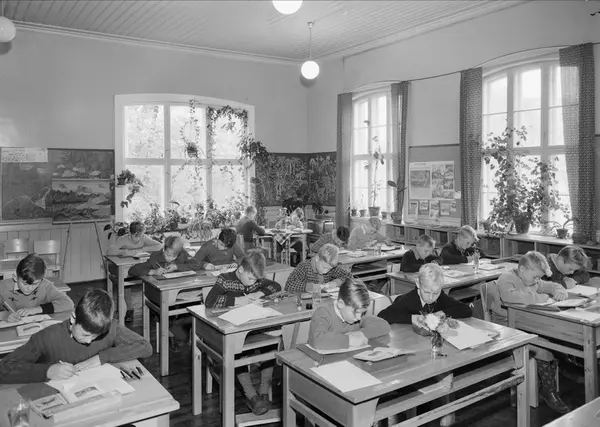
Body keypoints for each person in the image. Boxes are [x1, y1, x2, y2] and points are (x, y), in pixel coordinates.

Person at [0, 289, 152, 384]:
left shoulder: (110, 328)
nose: (89, 341)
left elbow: (145, 347)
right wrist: (47, 371)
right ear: (73, 318)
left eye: (96, 336)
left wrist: (102, 357)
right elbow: (3, 369)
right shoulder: (46, 337)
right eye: (85, 334)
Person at [204, 250, 281, 415]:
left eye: (256, 280)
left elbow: (275, 286)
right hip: (231, 330)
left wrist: (259, 292)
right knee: (237, 351)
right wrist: (238, 300)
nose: (253, 282)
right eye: (251, 278)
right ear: (240, 269)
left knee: (271, 344)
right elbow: (210, 301)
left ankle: (264, 390)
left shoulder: (255, 279)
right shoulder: (225, 279)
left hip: (250, 327)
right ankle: (251, 395)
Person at [493, 251, 569, 413]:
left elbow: (551, 285)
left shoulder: (532, 280)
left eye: (538, 278)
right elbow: (510, 297)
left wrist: (560, 291)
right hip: (505, 327)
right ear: (522, 269)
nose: (537, 281)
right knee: (543, 346)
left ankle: (545, 384)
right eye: (535, 277)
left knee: (555, 338)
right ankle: (549, 391)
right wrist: (542, 298)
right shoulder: (507, 278)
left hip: (526, 323)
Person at [309, 277, 390, 351]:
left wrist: (360, 334)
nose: (359, 318)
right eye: (356, 312)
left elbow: (383, 325)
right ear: (341, 304)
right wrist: (349, 340)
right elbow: (317, 340)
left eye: (362, 313)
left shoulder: (359, 317)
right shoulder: (323, 313)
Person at [378, 263, 472, 324]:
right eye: (426, 292)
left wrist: (443, 313)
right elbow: (382, 316)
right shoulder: (408, 300)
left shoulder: (440, 297)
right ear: (418, 284)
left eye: (435, 293)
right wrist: (412, 318)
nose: (431, 298)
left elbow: (466, 310)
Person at [106, 221, 162, 322]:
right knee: (126, 282)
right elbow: (109, 251)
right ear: (131, 234)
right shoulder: (123, 239)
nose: (139, 238)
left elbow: (159, 246)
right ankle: (129, 309)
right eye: (137, 236)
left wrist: (143, 248)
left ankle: (152, 307)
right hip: (125, 267)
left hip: (138, 266)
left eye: (141, 236)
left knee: (152, 277)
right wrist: (126, 252)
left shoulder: (143, 237)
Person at [0, 254, 74, 321]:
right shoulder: (3, 287)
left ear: (41, 280)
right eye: (25, 284)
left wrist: (35, 310)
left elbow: (68, 303)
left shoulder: (45, 285)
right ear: (15, 277)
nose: (30, 288)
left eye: (35, 284)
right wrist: (4, 316)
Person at [285, 244, 353, 293]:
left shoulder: (330, 267)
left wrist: (335, 283)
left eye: (329, 269)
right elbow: (289, 284)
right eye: (324, 267)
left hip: (322, 300)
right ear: (317, 258)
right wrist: (313, 287)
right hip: (306, 301)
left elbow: (349, 276)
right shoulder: (304, 266)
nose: (326, 271)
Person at [128, 236, 194, 277]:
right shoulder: (155, 257)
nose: (170, 259)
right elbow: (132, 270)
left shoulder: (183, 254)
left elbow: (197, 264)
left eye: (174, 256)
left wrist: (176, 267)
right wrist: (153, 271)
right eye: (168, 255)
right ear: (163, 250)